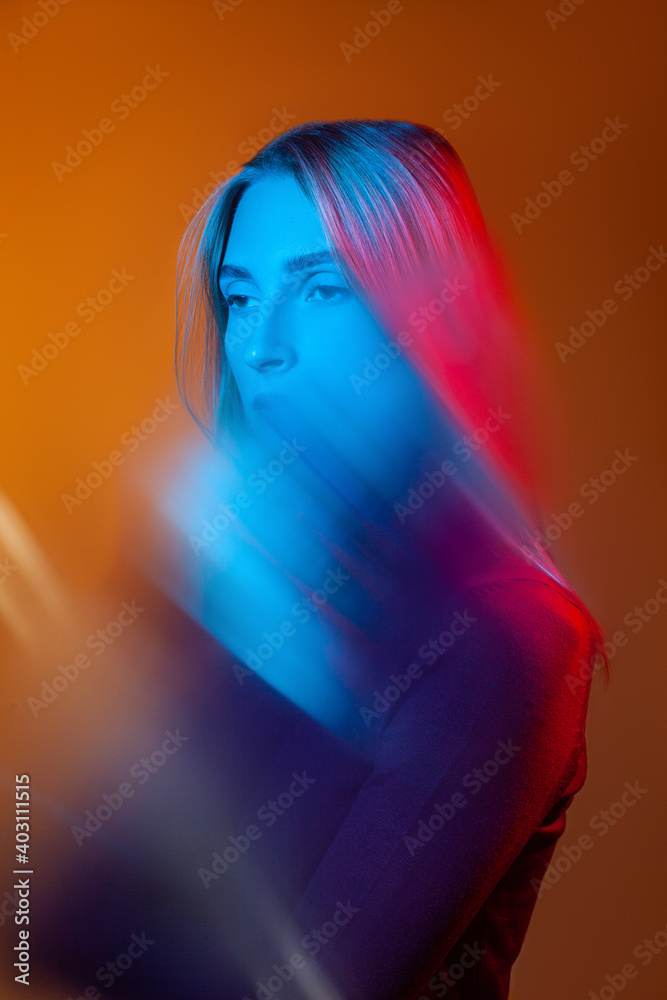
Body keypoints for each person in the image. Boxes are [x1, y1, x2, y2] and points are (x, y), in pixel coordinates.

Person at [174, 119, 609, 999]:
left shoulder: (506, 639)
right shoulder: (253, 596)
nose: (260, 348)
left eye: (323, 288)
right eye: (242, 296)